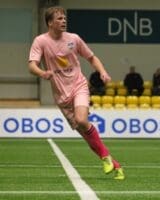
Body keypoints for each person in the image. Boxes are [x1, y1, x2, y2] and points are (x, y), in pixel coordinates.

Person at [28, 6, 124, 180]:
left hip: (78, 85)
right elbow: (32, 65)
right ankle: (114, 164)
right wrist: (42, 73)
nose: (63, 20)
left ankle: (106, 158)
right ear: (50, 23)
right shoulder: (40, 41)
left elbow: (91, 57)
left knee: (81, 120)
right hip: (61, 95)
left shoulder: (74, 39)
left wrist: (102, 71)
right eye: (59, 19)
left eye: (64, 18)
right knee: (85, 135)